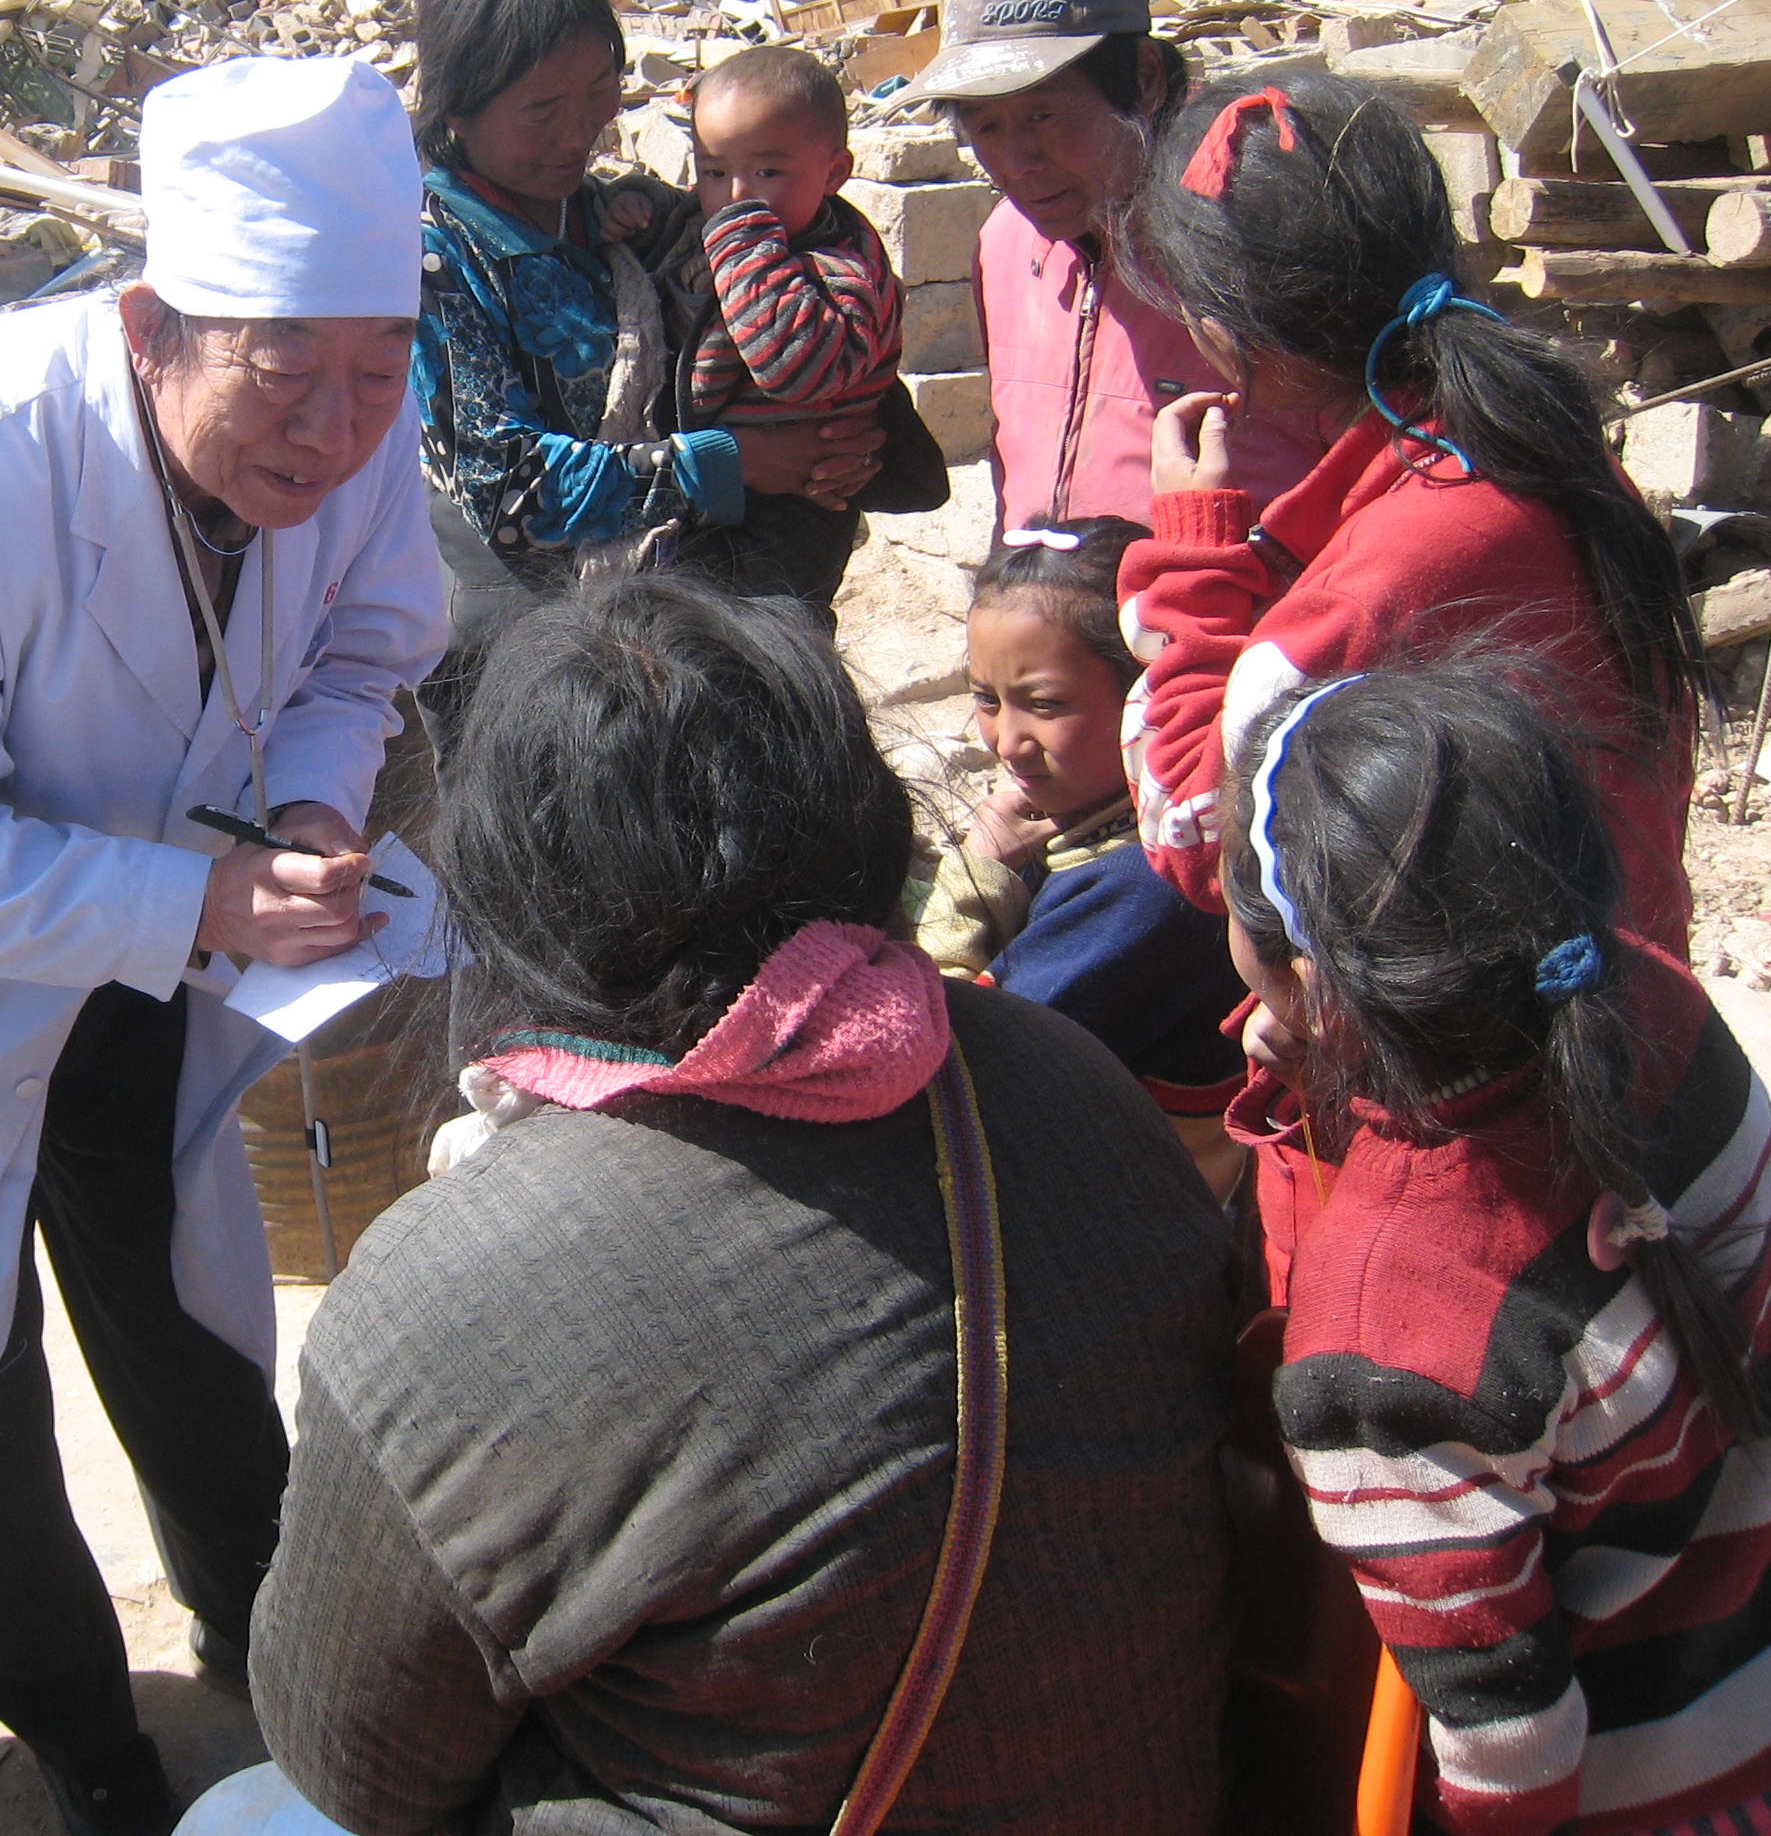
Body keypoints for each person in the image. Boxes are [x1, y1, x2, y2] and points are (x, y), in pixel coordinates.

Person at [0, 55, 447, 1835]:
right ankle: (86, 1743)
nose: (334, 430)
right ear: (148, 326)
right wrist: (193, 902)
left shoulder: (359, 423)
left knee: (169, 1271)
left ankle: (271, 1632)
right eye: (284, 371)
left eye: (376, 370)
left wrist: (311, 810)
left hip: (151, 896)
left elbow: (360, 647)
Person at [234, 574, 1235, 1835]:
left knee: (246, 1813)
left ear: (513, 896)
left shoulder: (446, 1284)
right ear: (864, 827)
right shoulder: (1071, 1078)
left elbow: (352, 1764)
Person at [1222, 663, 1771, 1836]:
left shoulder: (1379, 1329)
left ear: (1314, 983)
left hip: (1690, 1798)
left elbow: (1507, 1744)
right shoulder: (1656, 1006)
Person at [1116, 69, 1702, 1025]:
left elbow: (1199, 831)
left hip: (1500, 1052)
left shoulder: (1391, 566)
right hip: (1627, 998)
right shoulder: (1527, 438)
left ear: (1228, 332)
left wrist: (1193, 552)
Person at [411, 0, 886, 675]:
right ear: (457, 112)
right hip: (522, 648)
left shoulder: (623, 215)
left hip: (675, 624)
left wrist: (843, 440)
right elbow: (509, 492)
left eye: (597, 91)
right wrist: (734, 464)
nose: (579, 132)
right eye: (542, 110)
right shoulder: (432, 256)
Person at [910, 0, 1324, 529]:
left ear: (1145, 78)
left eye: (1046, 116)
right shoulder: (1004, 240)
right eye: (987, 126)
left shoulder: (1250, 238)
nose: (1020, 161)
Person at [913, 516, 1244, 1185]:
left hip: (1131, 1207)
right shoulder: (1098, 822)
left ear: (1146, 697)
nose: (1007, 742)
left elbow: (942, 1071)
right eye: (986, 699)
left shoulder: (1146, 888)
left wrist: (975, 878)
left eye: (1044, 704)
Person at [649, 43, 928, 611]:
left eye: (768, 172)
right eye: (714, 171)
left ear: (834, 173)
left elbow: (795, 369)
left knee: (767, 640)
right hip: (714, 484)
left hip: (795, 509)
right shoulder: (708, 228)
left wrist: (742, 241)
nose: (736, 195)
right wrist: (634, 205)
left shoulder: (841, 269)